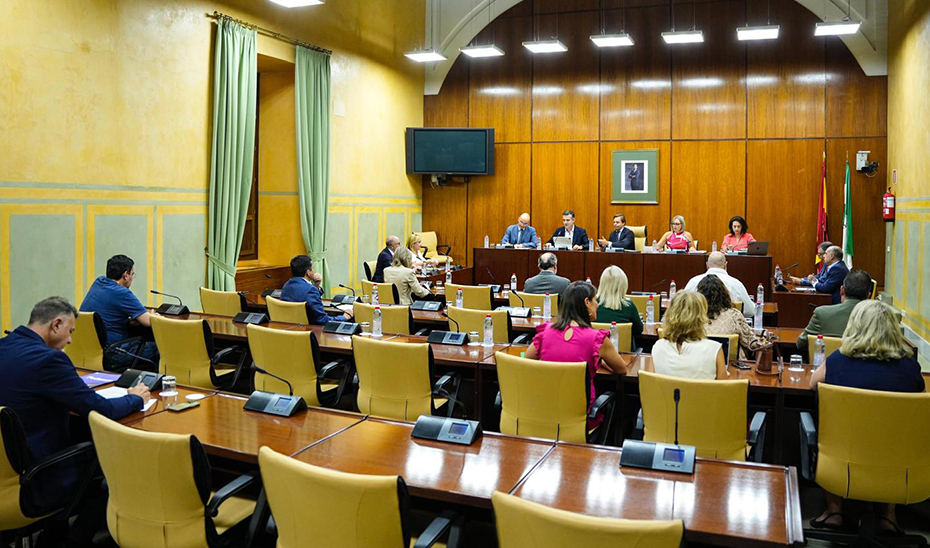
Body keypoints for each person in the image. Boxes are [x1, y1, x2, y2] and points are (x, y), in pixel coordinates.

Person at [0, 297, 149, 542]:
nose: (70, 340)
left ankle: (52, 536)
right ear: (56, 324)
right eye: (70, 332)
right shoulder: (49, 361)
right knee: (116, 472)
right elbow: (101, 410)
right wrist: (136, 398)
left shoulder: (4, 346)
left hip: (9, 471)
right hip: (32, 481)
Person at [808, 300, 924, 532]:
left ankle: (834, 510)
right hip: (897, 463)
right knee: (894, 434)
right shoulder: (910, 368)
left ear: (854, 326)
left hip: (842, 462)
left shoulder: (838, 362)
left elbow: (813, 385)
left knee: (831, 432)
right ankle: (888, 515)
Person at [524, 281, 630, 428]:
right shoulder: (597, 339)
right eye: (595, 300)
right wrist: (601, 360)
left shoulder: (546, 331)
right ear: (587, 302)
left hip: (544, 414)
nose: (597, 304)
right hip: (580, 419)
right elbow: (622, 369)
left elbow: (525, 363)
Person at [80, 254, 159, 372]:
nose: (132, 277)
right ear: (125, 275)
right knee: (160, 349)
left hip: (89, 351)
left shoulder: (98, 282)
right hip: (114, 353)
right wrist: (155, 317)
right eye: (132, 274)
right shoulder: (122, 293)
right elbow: (147, 321)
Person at [649, 291, 727, 380]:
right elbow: (723, 391)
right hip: (701, 394)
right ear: (701, 317)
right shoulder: (714, 349)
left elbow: (650, 387)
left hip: (667, 394)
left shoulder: (658, 347)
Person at [797, 269, 872, 354]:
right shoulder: (877, 319)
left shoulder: (822, 313)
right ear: (868, 295)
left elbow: (801, 343)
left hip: (828, 365)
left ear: (842, 290)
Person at [698, 275, 767, 360]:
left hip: (700, 364)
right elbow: (751, 342)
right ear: (724, 294)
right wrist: (763, 339)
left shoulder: (692, 318)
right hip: (733, 367)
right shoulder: (734, 315)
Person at [280, 255, 351, 324]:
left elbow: (302, 295)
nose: (314, 271)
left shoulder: (286, 286)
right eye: (313, 268)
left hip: (289, 329)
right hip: (309, 331)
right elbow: (323, 320)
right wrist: (344, 317)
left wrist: (316, 286)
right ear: (308, 272)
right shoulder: (310, 290)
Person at [683, 251, 755, 318]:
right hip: (728, 329)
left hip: (698, 329)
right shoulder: (736, 284)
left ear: (707, 265)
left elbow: (683, 308)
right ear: (726, 264)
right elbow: (750, 311)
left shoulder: (693, 281)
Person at [595, 266, 643, 350]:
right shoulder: (628, 305)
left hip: (596, 355)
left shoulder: (593, 304)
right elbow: (638, 330)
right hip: (624, 357)